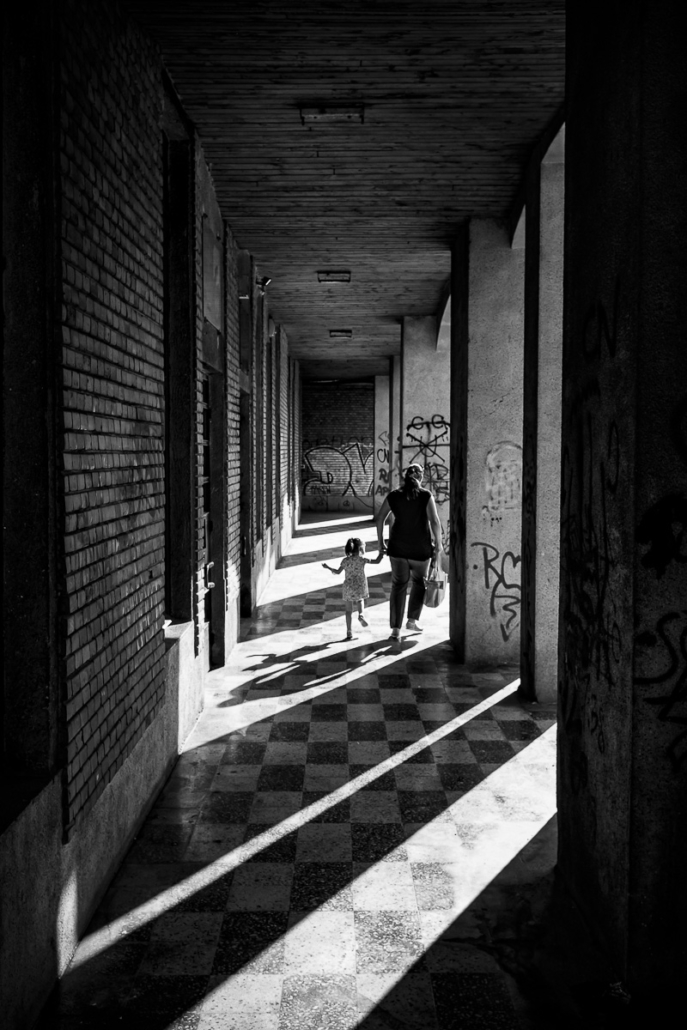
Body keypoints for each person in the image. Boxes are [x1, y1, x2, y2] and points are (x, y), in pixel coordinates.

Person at [376, 463, 444, 640]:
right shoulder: (425, 495)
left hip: (397, 549)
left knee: (398, 586)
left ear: (405, 476)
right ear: (421, 476)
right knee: (419, 583)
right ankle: (412, 621)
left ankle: (395, 630)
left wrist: (380, 541)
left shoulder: (394, 495)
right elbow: (435, 522)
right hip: (421, 550)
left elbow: (380, 518)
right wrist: (439, 546)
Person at [322, 537, 384, 640]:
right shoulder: (362, 560)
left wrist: (328, 567)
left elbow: (337, 572)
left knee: (348, 611)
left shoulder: (345, 561)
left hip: (348, 587)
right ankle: (361, 615)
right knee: (360, 600)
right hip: (360, 585)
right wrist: (381, 553)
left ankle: (349, 632)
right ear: (360, 549)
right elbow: (377, 561)